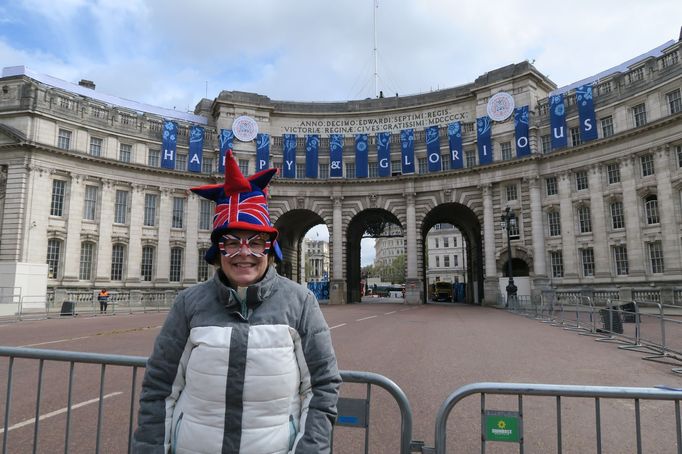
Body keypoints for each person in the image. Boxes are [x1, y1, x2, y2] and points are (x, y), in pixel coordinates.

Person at [133, 151, 341, 454]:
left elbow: (322, 388)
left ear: (270, 251)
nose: (244, 253)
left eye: (256, 242)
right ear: (218, 252)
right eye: (231, 242)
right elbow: (159, 388)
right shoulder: (188, 304)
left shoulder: (300, 303)